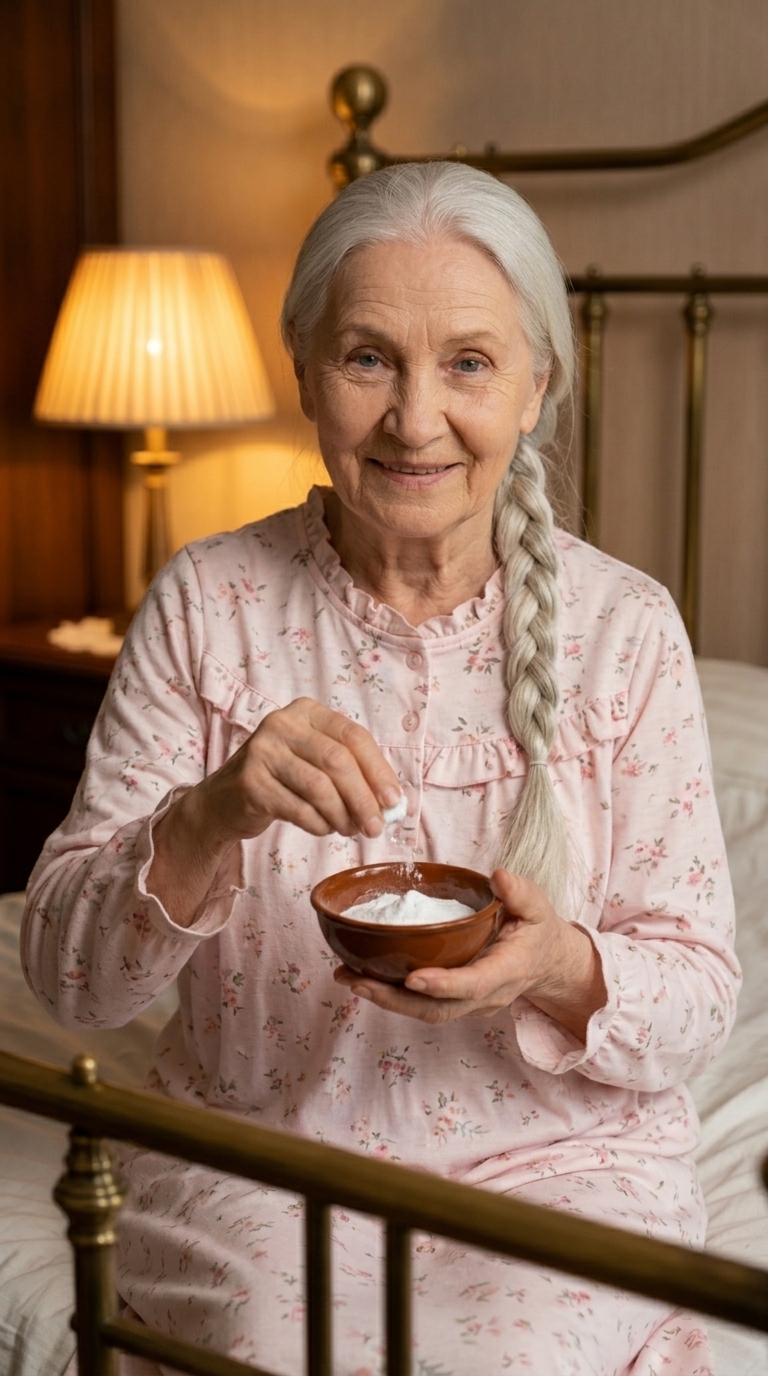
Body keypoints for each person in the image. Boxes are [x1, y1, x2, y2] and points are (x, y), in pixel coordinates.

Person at [23, 162, 739, 1376]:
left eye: (468, 362)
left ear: (536, 386)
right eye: (369, 358)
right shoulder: (208, 602)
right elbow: (69, 981)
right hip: (263, 1155)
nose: (415, 419)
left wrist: (558, 964)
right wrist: (210, 813)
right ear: (305, 364)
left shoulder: (626, 628)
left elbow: (700, 997)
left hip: (560, 1167)